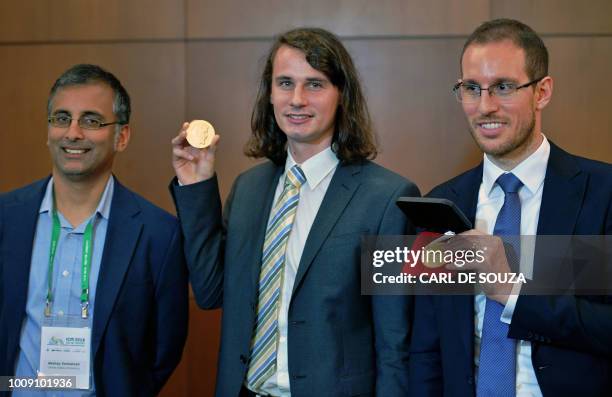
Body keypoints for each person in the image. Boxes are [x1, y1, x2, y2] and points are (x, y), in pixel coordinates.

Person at [171, 27, 419, 397]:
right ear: (269, 94)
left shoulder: (387, 198)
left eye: (315, 84)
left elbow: (394, 343)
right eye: (285, 83)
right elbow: (208, 292)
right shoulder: (249, 189)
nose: (297, 99)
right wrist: (196, 186)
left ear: (341, 96)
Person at [408, 19, 612, 396]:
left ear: (542, 92)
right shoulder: (443, 201)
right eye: (471, 88)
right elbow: (427, 348)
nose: (484, 107)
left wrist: (513, 289)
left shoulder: (603, 193)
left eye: (503, 87)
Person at [0, 64, 189, 396]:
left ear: (122, 136)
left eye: (91, 120)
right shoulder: (5, 218)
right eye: (61, 118)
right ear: (48, 131)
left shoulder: (159, 235)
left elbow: (163, 350)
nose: (73, 133)